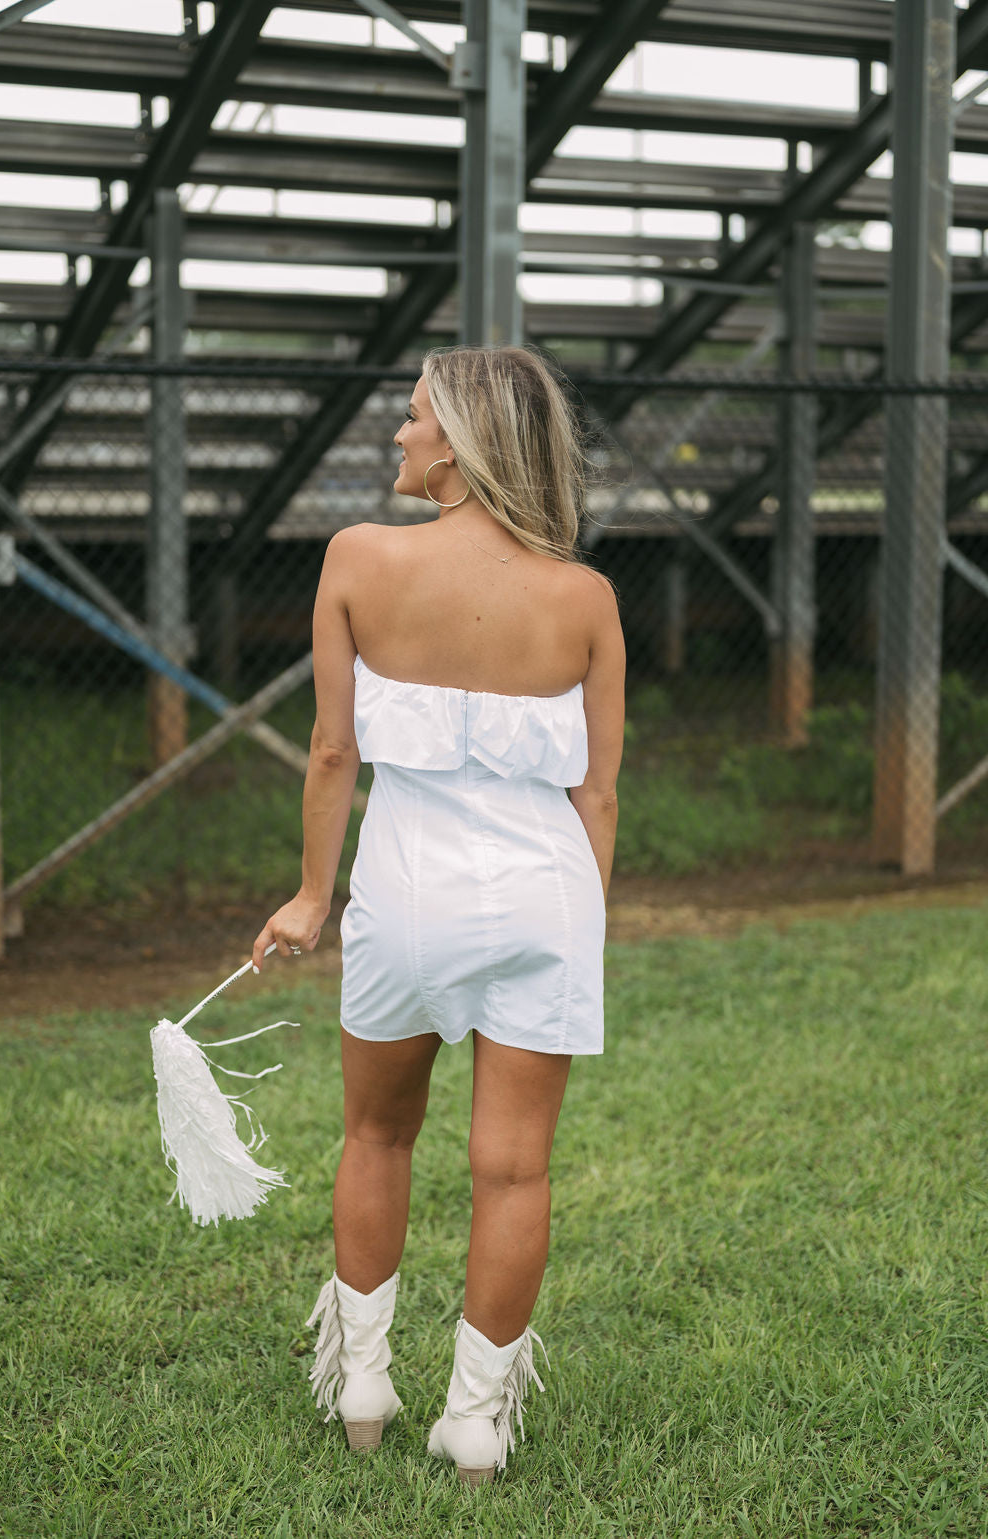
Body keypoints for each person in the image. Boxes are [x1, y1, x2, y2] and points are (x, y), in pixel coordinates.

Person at [251, 343, 625, 1485]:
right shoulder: (585, 597)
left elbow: (332, 752)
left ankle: (364, 1384)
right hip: (547, 896)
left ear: (458, 446)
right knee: (514, 1170)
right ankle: (476, 1423)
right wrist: (578, 928)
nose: (399, 433)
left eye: (413, 416)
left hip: (404, 896)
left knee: (376, 1135)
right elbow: (598, 795)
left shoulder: (358, 559)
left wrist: (312, 896)